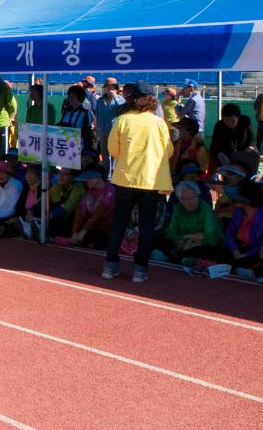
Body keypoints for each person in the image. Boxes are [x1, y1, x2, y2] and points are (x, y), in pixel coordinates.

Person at [102, 82, 173, 283]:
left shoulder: (122, 120)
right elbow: (168, 151)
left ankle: (110, 266)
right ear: (151, 99)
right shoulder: (158, 123)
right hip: (150, 180)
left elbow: (112, 149)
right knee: (147, 226)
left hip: (125, 177)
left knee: (119, 223)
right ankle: (140, 270)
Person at [152, 181, 224, 264]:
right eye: (186, 198)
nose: (191, 201)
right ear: (180, 200)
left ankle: (180, 258)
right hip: (182, 242)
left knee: (213, 252)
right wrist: (187, 237)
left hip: (202, 245)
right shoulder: (177, 208)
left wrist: (197, 243)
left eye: (194, 196)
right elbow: (170, 234)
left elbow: (211, 239)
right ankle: (181, 258)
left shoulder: (205, 209)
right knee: (157, 240)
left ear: (198, 196)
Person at [64, 166, 114, 249]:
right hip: (93, 227)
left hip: (107, 229)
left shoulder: (110, 190)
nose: (86, 180)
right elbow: (80, 213)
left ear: (98, 177)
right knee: (67, 229)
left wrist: (84, 231)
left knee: (88, 237)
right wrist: (74, 232)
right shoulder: (90, 192)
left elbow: (99, 213)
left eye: (89, 178)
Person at [47, 167, 85, 239]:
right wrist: (31, 212)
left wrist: (47, 216)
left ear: (73, 177)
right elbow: (44, 199)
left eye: (65, 174)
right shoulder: (57, 187)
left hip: (72, 221)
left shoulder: (79, 189)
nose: (61, 176)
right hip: (57, 218)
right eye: (60, 173)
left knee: (60, 210)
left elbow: (67, 207)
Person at [58, 84, 96, 155]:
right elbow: (60, 126)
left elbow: (87, 131)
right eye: (69, 96)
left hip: (80, 147)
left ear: (79, 97)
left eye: (73, 96)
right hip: (65, 145)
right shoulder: (66, 111)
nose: (70, 98)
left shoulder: (85, 112)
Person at [94, 79, 124, 160]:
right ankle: (105, 171)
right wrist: (96, 127)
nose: (110, 89)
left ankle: (113, 172)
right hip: (102, 130)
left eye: (112, 87)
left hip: (114, 131)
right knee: (104, 154)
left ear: (116, 88)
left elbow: (123, 112)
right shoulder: (100, 100)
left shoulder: (121, 100)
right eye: (108, 87)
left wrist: (115, 98)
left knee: (114, 153)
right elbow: (97, 114)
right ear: (105, 88)